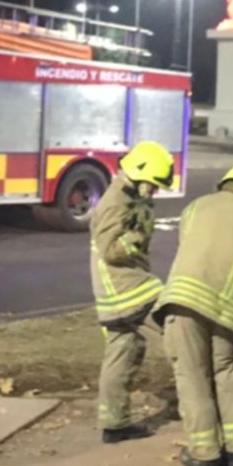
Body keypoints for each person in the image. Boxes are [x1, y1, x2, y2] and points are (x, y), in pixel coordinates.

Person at [156, 163, 233, 466]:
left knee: (193, 376)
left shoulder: (194, 208)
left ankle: (205, 455)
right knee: (229, 372)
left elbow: (189, 249)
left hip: (184, 301)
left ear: (223, 183)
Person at [90, 141, 175, 443]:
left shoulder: (127, 197)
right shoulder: (115, 202)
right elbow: (111, 250)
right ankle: (207, 408)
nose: (155, 191)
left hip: (115, 295)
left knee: (123, 354)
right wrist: (138, 235)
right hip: (130, 291)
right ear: (139, 173)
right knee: (181, 338)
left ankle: (115, 424)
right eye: (153, 185)